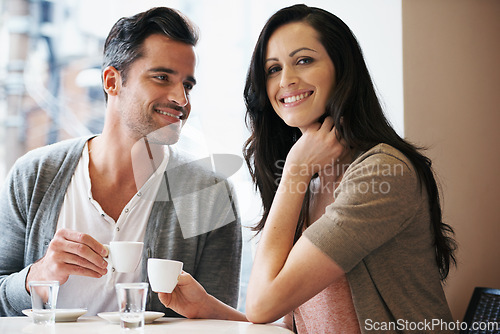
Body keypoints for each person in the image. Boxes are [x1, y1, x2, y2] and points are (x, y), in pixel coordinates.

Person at [156, 4, 457, 334]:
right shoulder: (311, 175)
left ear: (342, 69)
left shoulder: (381, 172)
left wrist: (295, 172)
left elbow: (261, 304)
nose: (286, 80)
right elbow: (295, 324)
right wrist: (210, 310)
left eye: (303, 60)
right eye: (272, 69)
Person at [0, 7, 242, 317]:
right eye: (162, 77)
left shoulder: (208, 192)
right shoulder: (33, 175)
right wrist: (39, 275)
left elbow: (218, 324)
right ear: (112, 81)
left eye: (188, 85)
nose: (182, 100)